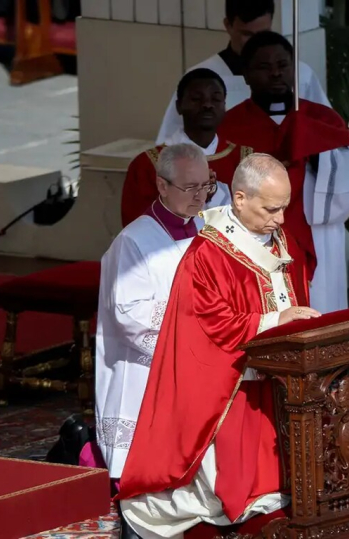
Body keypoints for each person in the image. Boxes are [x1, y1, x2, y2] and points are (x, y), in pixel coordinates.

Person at [117, 154, 321, 539]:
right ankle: (152, 519)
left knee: (276, 472)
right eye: (271, 208)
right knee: (226, 483)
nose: (280, 218)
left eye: (285, 208)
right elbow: (206, 323)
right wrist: (274, 321)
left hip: (276, 380)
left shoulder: (281, 236)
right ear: (240, 199)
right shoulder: (209, 253)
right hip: (230, 384)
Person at [97, 143, 230, 487]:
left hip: (196, 367)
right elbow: (129, 314)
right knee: (144, 478)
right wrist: (194, 327)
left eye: (207, 185)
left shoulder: (206, 231)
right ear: (161, 186)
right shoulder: (135, 242)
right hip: (147, 372)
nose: (202, 197)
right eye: (190, 187)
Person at [218, 31, 349, 315]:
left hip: (317, 231)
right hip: (256, 236)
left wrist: (314, 151)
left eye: (283, 65)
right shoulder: (230, 125)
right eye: (264, 67)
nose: (276, 73)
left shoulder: (321, 119)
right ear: (246, 74)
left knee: (321, 306)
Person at [155, 0, 331, 144]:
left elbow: (325, 129)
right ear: (228, 25)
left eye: (263, 33)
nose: (256, 43)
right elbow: (172, 142)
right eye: (247, 34)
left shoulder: (300, 75)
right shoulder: (199, 79)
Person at [122, 69, 248, 228]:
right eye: (196, 98)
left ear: (224, 105)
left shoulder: (245, 160)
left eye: (215, 98)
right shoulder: (148, 165)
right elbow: (138, 229)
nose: (207, 105)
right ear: (179, 106)